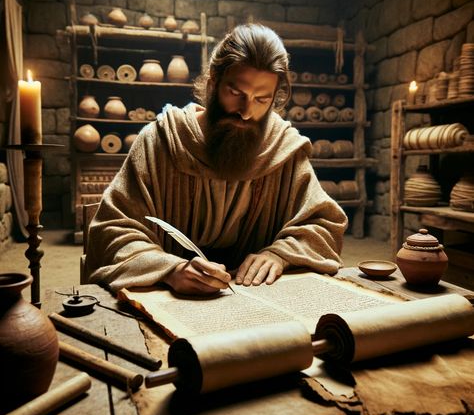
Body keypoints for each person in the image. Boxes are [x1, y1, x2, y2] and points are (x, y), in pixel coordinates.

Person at [85, 23, 348, 295]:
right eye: (236, 93)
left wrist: (280, 254)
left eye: (262, 99)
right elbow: (112, 230)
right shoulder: (161, 142)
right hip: (172, 300)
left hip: (255, 297)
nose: (246, 112)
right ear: (213, 83)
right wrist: (169, 269)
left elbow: (323, 226)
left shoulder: (283, 149)